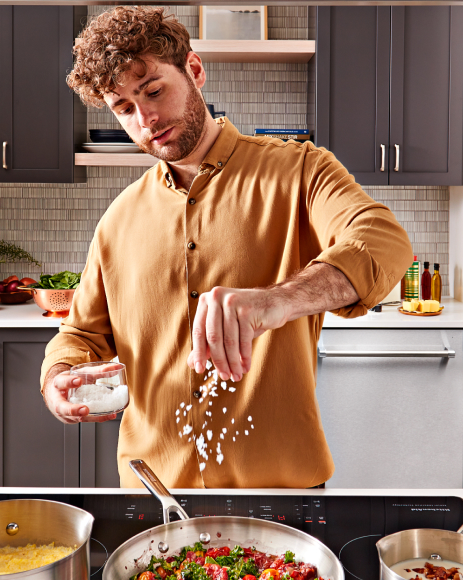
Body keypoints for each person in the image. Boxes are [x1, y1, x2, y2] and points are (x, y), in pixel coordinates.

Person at [40, 6, 412, 489]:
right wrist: (58, 376)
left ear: (194, 70)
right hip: (155, 492)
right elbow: (82, 334)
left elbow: (383, 243)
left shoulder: (301, 170)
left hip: (281, 489)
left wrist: (276, 301)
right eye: (124, 108)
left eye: (153, 90)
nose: (146, 119)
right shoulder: (118, 220)